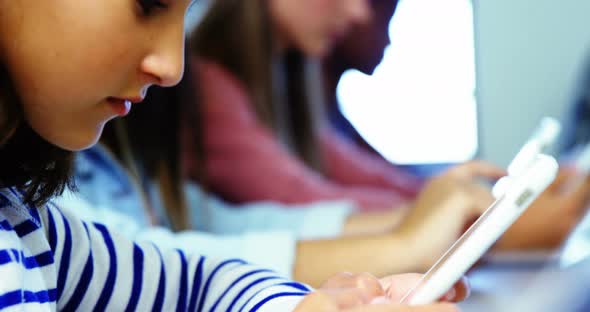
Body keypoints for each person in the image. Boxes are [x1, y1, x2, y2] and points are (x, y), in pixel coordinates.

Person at [0, 0, 468, 310]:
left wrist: (302, 306)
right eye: (147, 3)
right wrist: (403, 241)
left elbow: (192, 282)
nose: (173, 68)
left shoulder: (30, 224)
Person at [323, 0, 590, 251]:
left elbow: (384, 181)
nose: (356, 12)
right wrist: (480, 224)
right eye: (383, 18)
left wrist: (466, 203)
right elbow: (305, 212)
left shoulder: (324, 119)